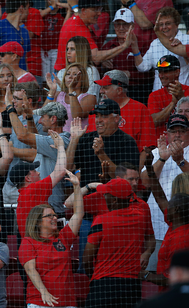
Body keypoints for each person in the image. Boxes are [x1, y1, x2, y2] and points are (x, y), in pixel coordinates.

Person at [83, 179, 153, 308]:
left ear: (114, 200)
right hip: (132, 286)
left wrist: (92, 277)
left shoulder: (101, 220)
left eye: (106, 194)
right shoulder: (141, 217)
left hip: (104, 285)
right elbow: (151, 239)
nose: (103, 196)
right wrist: (147, 253)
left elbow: (87, 259)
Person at [18, 169, 83, 308]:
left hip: (67, 302)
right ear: (38, 221)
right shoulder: (28, 242)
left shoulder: (63, 237)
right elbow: (31, 270)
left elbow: (78, 214)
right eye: (49, 216)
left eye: (54, 215)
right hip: (39, 302)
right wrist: (44, 292)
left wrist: (76, 187)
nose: (54, 218)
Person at [141, 114, 189, 271]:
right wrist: (161, 159)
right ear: (166, 133)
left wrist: (180, 160)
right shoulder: (157, 152)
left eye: (181, 131)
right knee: (154, 271)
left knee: (181, 274)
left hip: (184, 227)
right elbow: (145, 182)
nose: (177, 135)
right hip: (156, 225)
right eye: (173, 131)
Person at [12, 102, 71, 215]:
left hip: (52, 212)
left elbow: (22, 136)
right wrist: (29, 117)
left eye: (43, 117)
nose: (39, 121)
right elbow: (34, 139)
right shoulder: (50, 140)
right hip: (41, 211)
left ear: (53, 119)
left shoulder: (59, 141)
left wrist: (10, 110)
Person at [89, 70, 156, 166]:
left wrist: (137, 175)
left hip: (128, 168)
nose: (101, 91)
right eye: (101, 87)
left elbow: (146, 149)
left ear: (119, 90)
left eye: (105, 88)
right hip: (97, 168)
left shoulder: (139, 109)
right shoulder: (96, 112)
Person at [67, 100, 140, 186]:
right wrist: (74, 140)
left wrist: (101, 154)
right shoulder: (86, 139)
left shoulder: (127, 142)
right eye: (97, 116)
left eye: (104, 116)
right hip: (87, 195)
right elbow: (67, 168)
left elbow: (124, 180)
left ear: (116, 118)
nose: (99, 120)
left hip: (114, 196)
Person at [55, 0, 133, 72]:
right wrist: (124, 46)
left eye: (99, 9)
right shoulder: (80, 29)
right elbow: (96, 58)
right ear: (83, 11)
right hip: (67, 74)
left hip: (64, 72)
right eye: (95, 9)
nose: (99, 13)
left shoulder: (72, 20)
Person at [100, 8, 153, 105]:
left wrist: (129, 74)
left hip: (137, 91)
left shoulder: (143, 44)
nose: (121, 28)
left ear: (132, 26)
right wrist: (102, 65)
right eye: (117, 24)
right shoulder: (107, 47)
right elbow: (99, 72)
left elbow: (150, 75)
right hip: (112, 92)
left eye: (125, 24)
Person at [132, 7, 189, 92]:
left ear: (177, 24)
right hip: (159, 96)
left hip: (182, 93)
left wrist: (181, 49)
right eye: (161, 24)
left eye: (168, 23)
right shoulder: (155, 43)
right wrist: (134, 46)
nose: (164, 27)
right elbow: (143, 67)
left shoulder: (187, 40)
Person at [0, 0, 30, 86]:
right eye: (28, 8)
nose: (29, 12)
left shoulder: (25, 32)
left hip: (19, 87)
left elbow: (24, 61)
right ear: (22, 8)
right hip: (0, 86)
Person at [147, 55, 189, 141]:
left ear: (177, 72)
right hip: (162, 144)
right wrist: (172, 103)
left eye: (165, 71)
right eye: (160, 72)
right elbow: (153, 122)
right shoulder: (154, 96)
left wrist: (181, 98)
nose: (161, 75)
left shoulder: (188, 91)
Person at [46, 62, 96, 134]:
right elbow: (44, 116)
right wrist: (52, 92)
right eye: (68, 74)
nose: (70, 76)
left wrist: (71, 90)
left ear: (83, 79)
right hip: (56, 140)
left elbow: (76, 116)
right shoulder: (58, 95)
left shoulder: (89, 98)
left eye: (75, 74)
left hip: (77, 142)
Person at [55, 36, 101, 100]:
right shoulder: (62, 72)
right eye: (67, 49)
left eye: (72, 49)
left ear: (81, 51)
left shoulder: (91, 71)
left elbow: (91, 99)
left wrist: (67, 90)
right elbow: (57, 100)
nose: (68, 52)